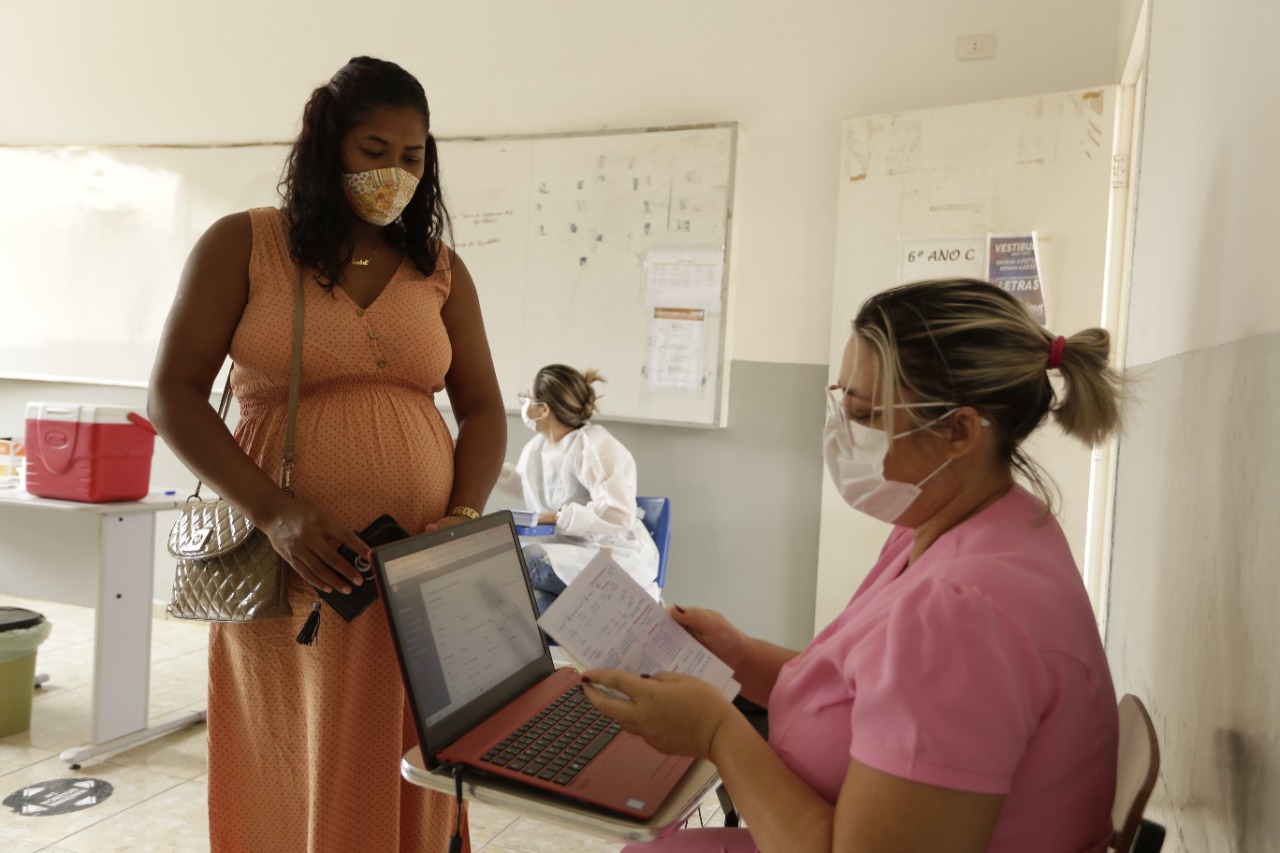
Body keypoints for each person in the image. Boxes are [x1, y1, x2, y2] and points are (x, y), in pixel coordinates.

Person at [581, 278, 1124, 853]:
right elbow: (869, 693)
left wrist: (717, 732)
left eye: (863, 413)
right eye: (840, 400)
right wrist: (739, 656)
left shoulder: (963, 611)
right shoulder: (972, 524)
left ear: (959, 431)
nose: (842, 430)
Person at [147, 56, 506, 852]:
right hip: (292, 565)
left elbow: (481, 408)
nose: (394, 173)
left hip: (416, 570)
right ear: (325, 147)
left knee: (413, 749)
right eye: (373, 150)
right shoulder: (246, 244)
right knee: (301, 750)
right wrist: (276, 513)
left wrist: (460, 517)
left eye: (412, 157)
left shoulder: (438, 270)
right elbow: (171, 393)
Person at [496, 364, 660, 611]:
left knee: (525, 563)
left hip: (608, 553)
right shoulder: (536, 448)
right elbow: (525, 485)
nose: (524, 405)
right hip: (564, 547)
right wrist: (478, 462)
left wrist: (557, 517)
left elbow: (618, 512)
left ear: (544, 409)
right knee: (501, 567)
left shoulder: (594, 446)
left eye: (527, 398)